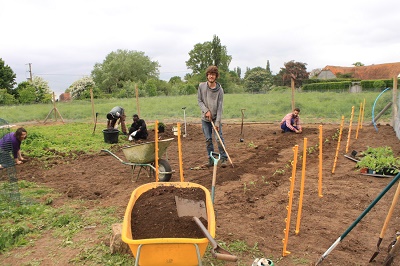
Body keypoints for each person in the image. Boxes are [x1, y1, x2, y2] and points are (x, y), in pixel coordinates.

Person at [197, 65, 228, 168]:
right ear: (207, 76)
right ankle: (210, 159)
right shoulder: (201, 86)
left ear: (216, 76)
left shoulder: (220, 90)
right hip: (205, 119)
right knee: (208, 139)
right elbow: (199, 101)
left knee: (219, 139)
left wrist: (217, 122)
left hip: (215, 118)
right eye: (209, 74)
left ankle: (223, 158)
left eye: (213, 74)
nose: (211, 76)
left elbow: (220, 107)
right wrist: (206, 111)